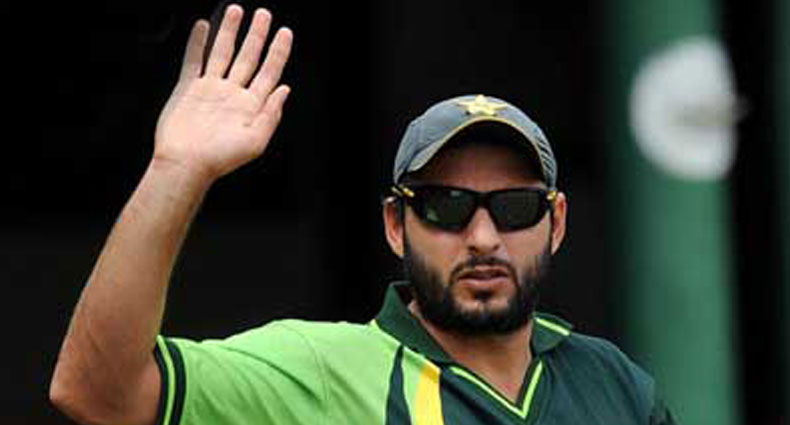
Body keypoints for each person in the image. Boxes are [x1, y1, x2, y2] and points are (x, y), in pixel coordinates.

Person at [50, 4, 677, 425]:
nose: (483, 237)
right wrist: (175, 170)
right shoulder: (322, 371)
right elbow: (95, 394)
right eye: (447, 206)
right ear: (396, 225)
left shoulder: (616, 385)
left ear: (556, 222)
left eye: (514, 207)